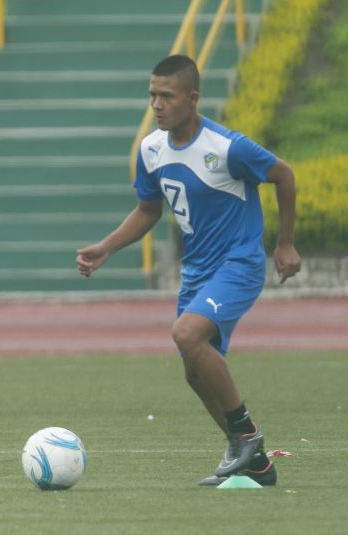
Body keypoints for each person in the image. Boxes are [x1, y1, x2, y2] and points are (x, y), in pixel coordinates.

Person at [76, 55, 301, 486]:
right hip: (197, 272)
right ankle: (256, 465)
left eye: (167, 96)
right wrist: (106, 247)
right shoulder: (151, 149)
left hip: (238, 263)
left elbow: (284, 175)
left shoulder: (227, 147)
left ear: (193, 98)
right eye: (152, 96)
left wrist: (286, 243)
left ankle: (247, 434)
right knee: (194, 372)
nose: (157, 105)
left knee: (186, 334)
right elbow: (148, 210)